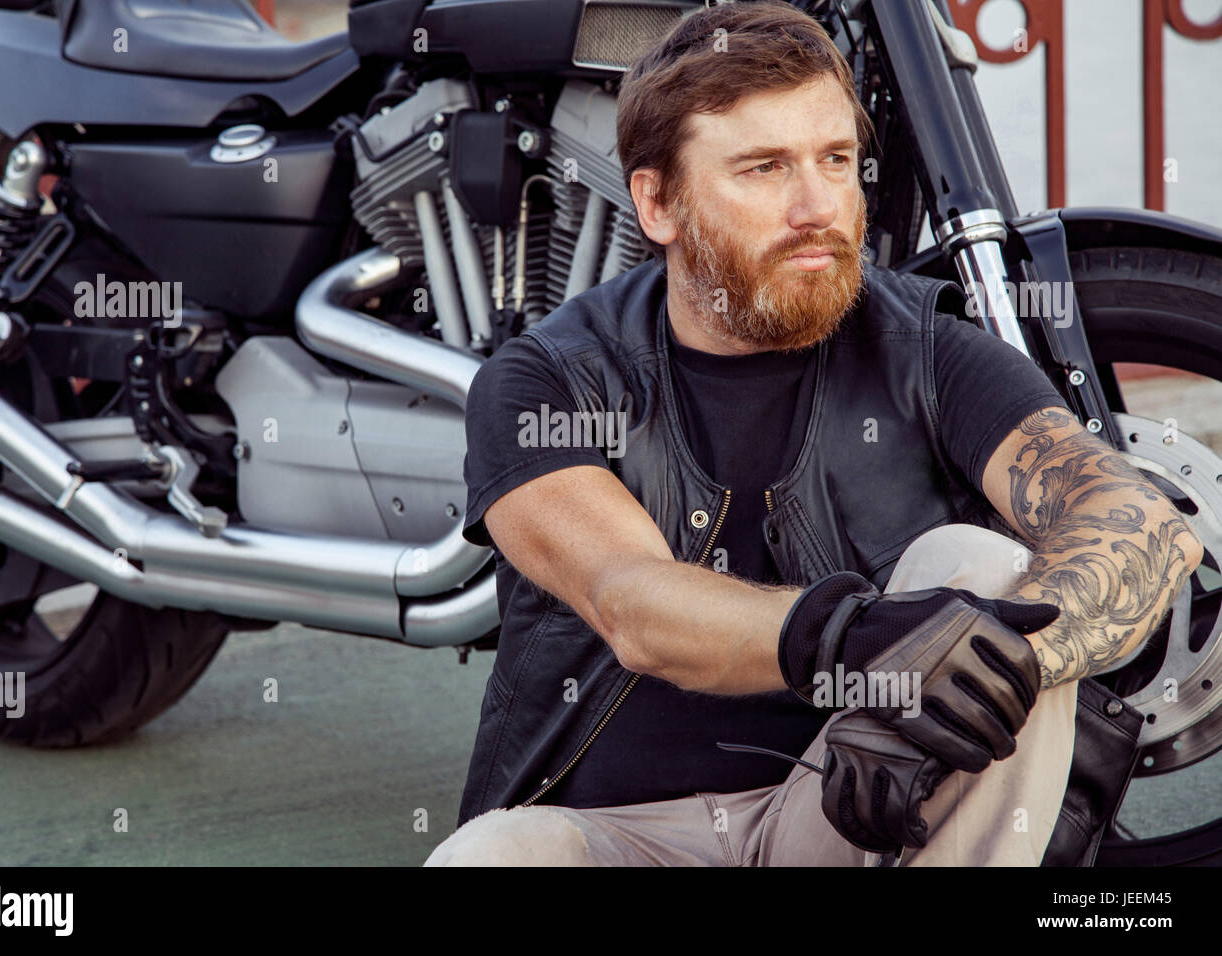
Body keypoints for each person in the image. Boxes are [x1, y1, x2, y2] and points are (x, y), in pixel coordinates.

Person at [423, 1, 1202, 866]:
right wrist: (858, 639)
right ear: (658, 202)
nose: (817, 206)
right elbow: (633, 601)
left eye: (836, 160)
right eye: (762, 169)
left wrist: (958, 674)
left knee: (983, 573)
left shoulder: (925, 350)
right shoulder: (549, 379)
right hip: (616, 836)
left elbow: (1137, 522)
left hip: (854, 817)